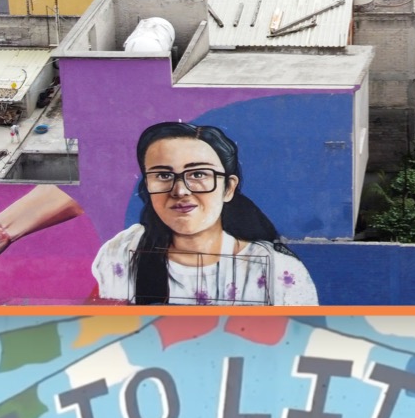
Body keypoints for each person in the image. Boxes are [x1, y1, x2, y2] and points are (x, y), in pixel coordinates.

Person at [94, 121, 318, 305]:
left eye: (199, 174)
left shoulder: (277, 271)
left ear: (228, 188)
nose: (180, 191)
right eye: (162, 176)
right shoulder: (123, 253)